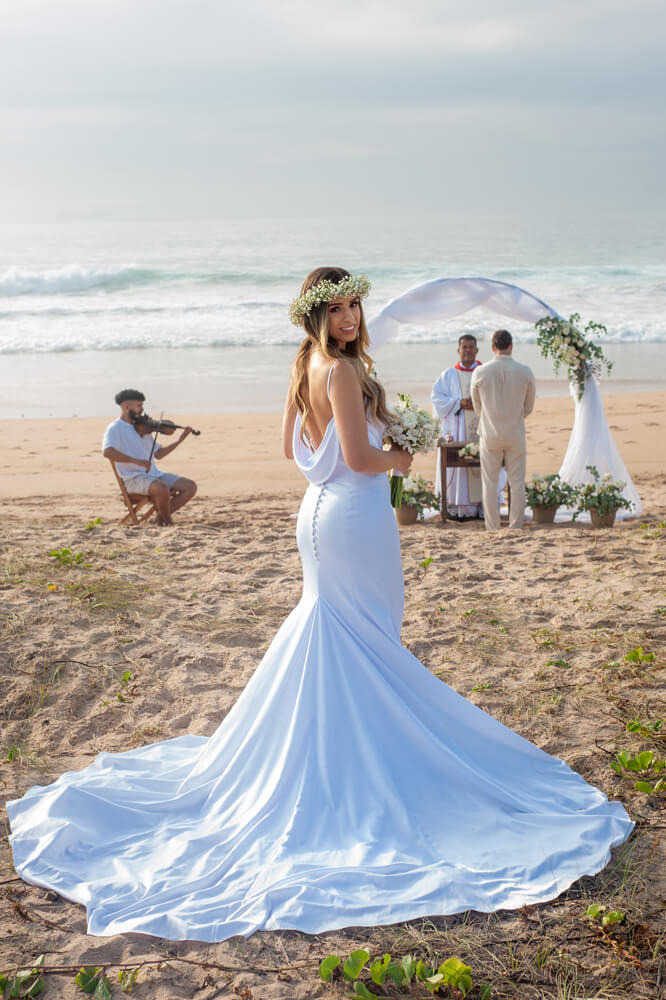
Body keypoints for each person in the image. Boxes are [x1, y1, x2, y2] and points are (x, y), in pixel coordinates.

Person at [7, 269, 631, 943]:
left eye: (355, 305)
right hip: (354, 515)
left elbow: (290, 449)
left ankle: (336, 750)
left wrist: (355, 451)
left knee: (340, 632)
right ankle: (359, 761)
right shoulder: (339, 370)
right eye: (336, 309)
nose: (350, 317)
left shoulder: (303, 364)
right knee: (365, 636)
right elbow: (360, 458)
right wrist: (399, 456)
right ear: (315, 314)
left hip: (318, 513)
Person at [470, 329, 536, 530]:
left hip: (490, 433)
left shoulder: (480, 372)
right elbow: (529, 406)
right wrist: (515, 416)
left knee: (490, 483)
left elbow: (477, 407)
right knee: (517, 482)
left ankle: (492, 526)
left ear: (492, 347)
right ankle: (515, 525)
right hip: (515, 432)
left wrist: (490, 417)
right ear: (511, 346)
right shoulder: (525, 371)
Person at [102, 389, 197, 526]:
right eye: (139, 405)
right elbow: (107, 452)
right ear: (126, 406)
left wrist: (179, 440)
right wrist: (136, 461)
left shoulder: (143, 427)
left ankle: (159, 518)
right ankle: (168, 523)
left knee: (190, 486)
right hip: (132, 479)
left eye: (142, 405)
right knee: (162, 488)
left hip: (154, 475)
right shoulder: (115, 428)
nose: (142, 409)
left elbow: (159, 454)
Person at [431, 335, 483, 519]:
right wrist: (459, 403)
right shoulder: (448, 375)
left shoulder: (484, 372)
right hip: (457, 430)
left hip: (480, 430)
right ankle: (458, 509)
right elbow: (437, 399)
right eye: (464, 347)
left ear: (477, 350)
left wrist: (477, 404)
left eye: (471, 347)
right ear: (458, 350)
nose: (467, 350)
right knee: (457, 468)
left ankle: (481, 508)